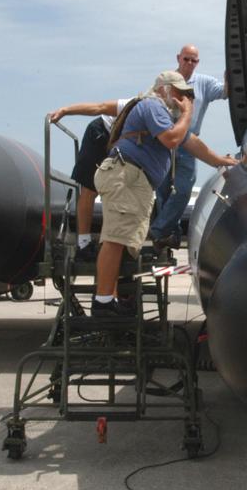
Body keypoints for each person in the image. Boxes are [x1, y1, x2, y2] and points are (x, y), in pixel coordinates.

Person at [92, 71, 237, 317]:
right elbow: (172, 140)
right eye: (180, 93)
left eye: (187, 95)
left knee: (123, 240)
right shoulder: (153, 106)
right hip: (125, 176)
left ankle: (111, 298)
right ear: (164, 90)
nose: (184, 99)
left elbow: (191, 143)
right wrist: (188, 113)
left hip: (134, 180)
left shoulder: (168, 118)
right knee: (115, 239)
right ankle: (103, 302)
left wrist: (221, 161)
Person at [147, 44, 227, 248]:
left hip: (188, 143)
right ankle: (168, 236)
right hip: (164, 141)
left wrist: (230, 78)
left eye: (194, 60)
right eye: (186, 59)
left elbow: (224, 92)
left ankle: (158, 231)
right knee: (163, 192)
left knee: (183, 190)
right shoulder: (166, 79)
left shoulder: (204, 82)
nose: (190, 63)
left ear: (197, 62)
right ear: (178, 58)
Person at [49, 97, 130, 261]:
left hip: (121, 144)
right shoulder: (134, 105)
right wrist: (65, 110)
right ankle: (83, 244)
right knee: (89, 189)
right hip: (101, 133)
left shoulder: (167, 117)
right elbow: (99, 107)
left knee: (119, 190)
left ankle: (113, 241)